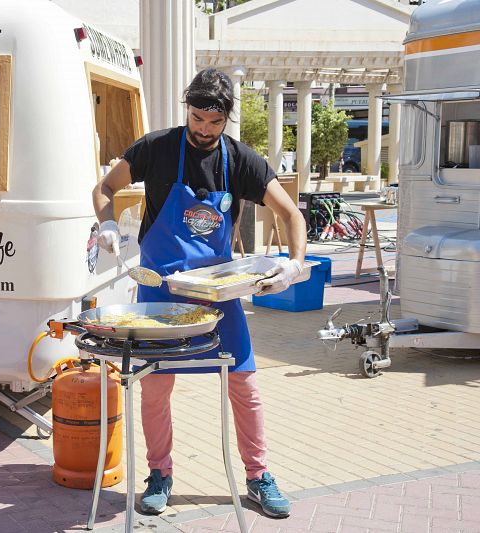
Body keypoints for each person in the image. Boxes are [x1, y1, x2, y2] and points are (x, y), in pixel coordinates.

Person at [91, 68, 306, 519]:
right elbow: (105, 187)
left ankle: (258, 476)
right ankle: (160, 475)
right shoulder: (155, 149)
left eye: (214, 122)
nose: (204, 130)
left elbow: (292, 215)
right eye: (197, 118)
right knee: (155, 388)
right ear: (187, 109)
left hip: (217, 294)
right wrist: (107, 224)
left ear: (226, 118)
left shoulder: (242, 160)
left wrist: (293, 262)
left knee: (244, 385)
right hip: (160, 291)